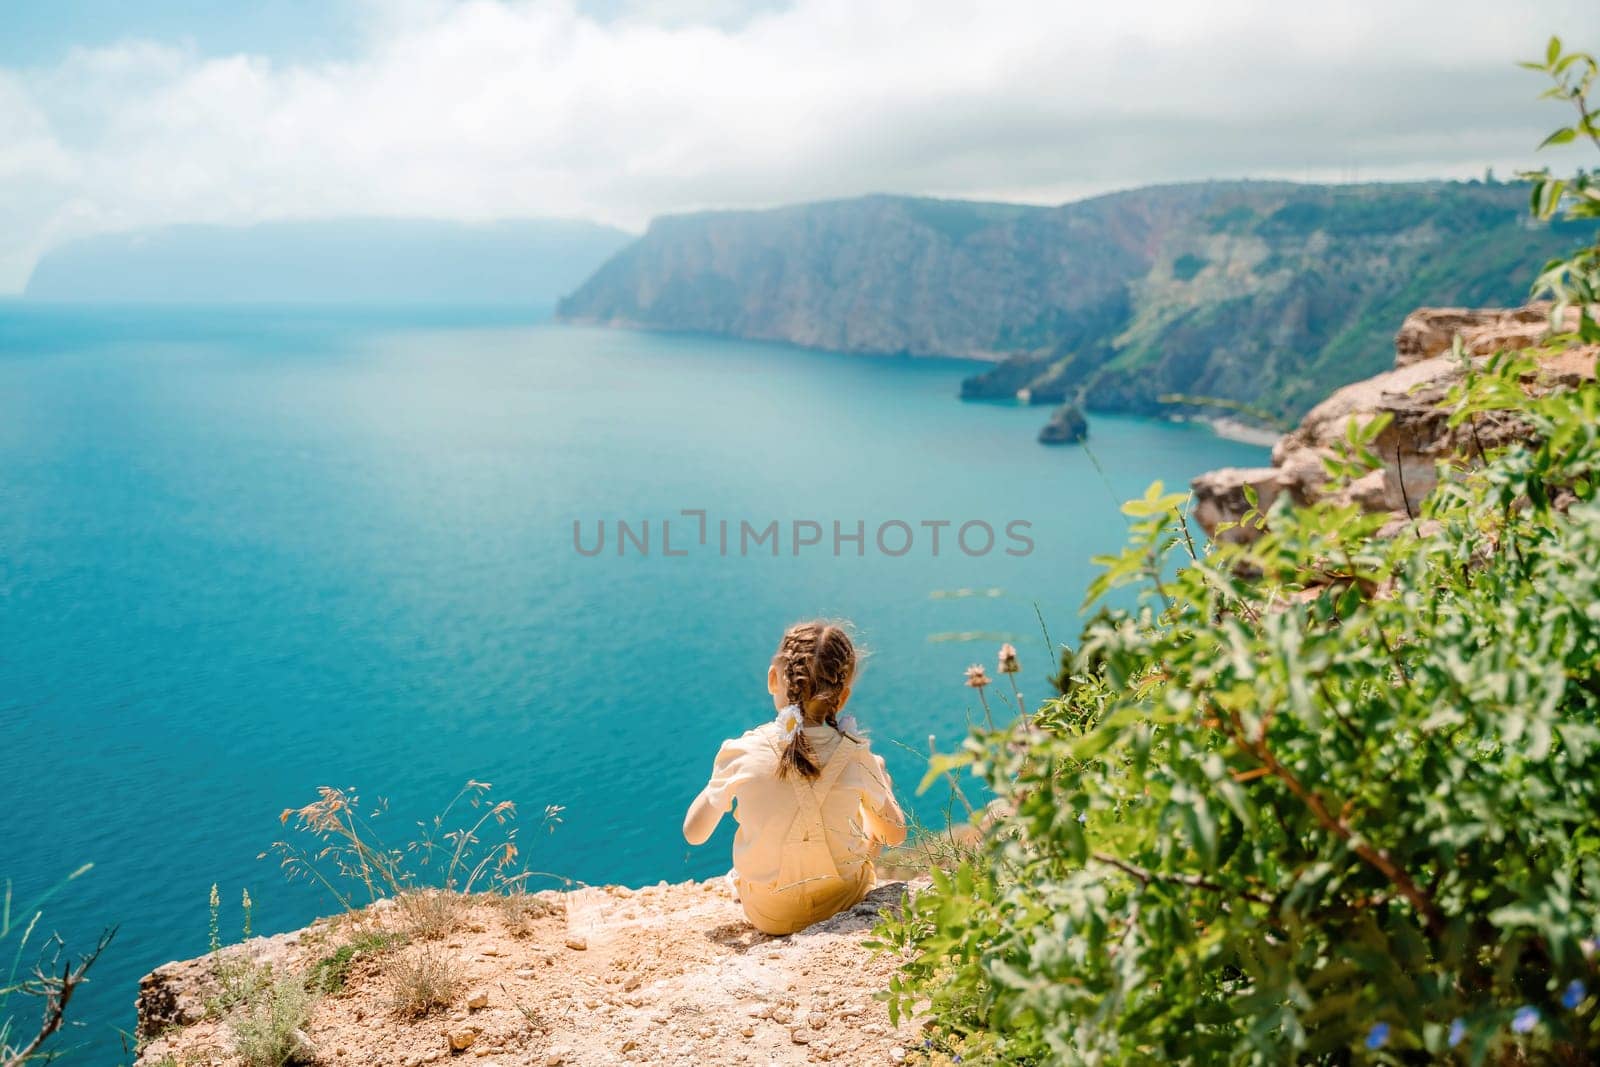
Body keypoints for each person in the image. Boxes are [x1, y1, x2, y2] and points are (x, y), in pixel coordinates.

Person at [682, 620, 907, 934]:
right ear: (842, 697)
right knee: (870, 798)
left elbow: (695, 834)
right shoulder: (857, 755)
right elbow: (893, 836)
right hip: (843, 900)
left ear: (773, 679)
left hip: (769, 914)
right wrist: (880, 777)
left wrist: (720, 778)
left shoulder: (742, 752)